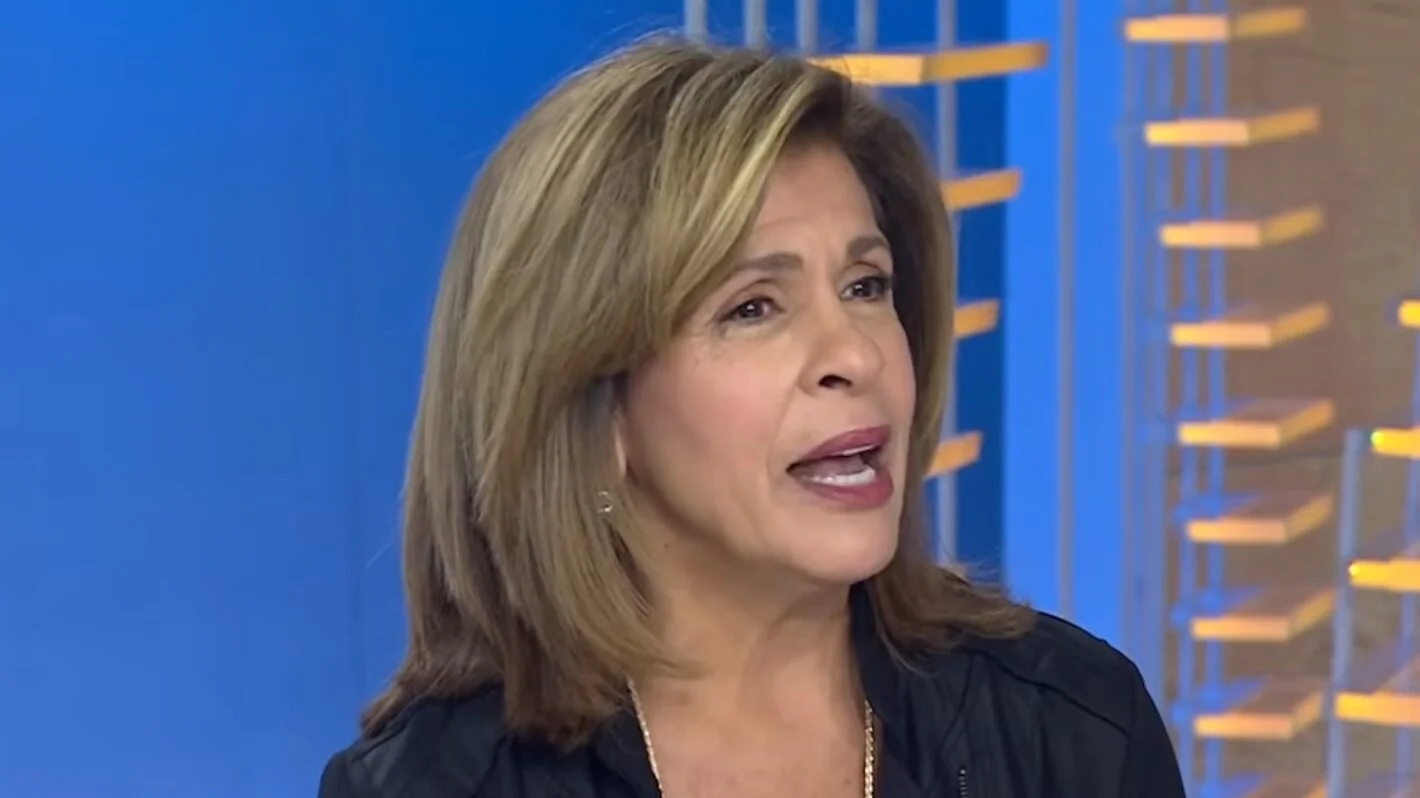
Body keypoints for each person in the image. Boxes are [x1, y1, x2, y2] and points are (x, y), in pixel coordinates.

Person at [318, 37, 1185, 798]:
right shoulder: (437, 787)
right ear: (593, 403)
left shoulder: (1075, 732)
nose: (856, 355)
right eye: (754, 307)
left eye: (866, 286)